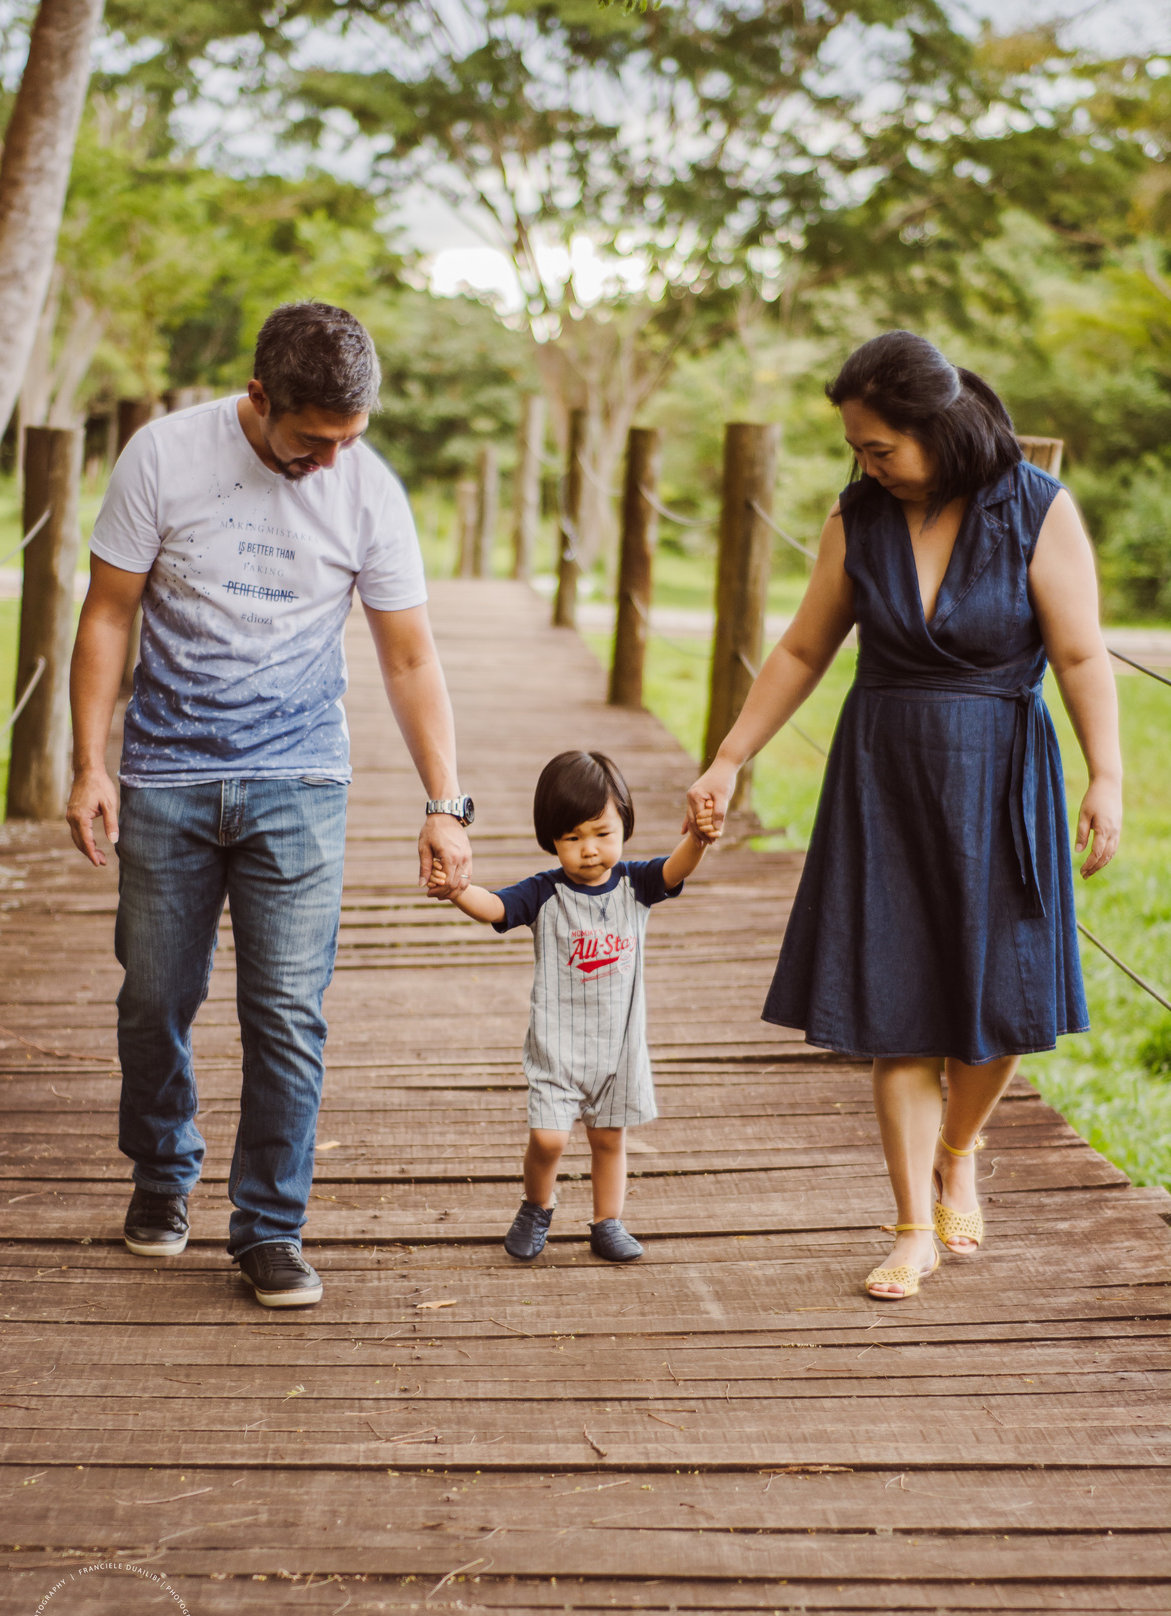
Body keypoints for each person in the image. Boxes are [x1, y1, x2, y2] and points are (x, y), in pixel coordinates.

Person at [687, 330, 1122, 1301]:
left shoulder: (1036, 512)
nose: (866, 464)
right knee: (897, 1010)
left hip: (1003, 776)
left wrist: (1108, 777)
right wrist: (728, 755)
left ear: (940, 425)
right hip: (884, 776)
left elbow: (1085, 656)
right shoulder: (859, 517)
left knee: (1008, 997)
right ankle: (911, 1226)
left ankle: (959, 1146)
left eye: (880, 447)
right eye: (857, 448)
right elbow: (802, 651)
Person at [65, 301, 474, 1309]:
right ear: (260, 398)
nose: (331, 460)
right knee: (154, 998)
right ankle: (162, 1175)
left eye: (350, 438)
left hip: (299, 783)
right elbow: (108, 614)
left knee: (286, 1012)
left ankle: (269, 1226)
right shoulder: (164, 458)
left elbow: (410, 656)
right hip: (165, 779)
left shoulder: (368, 493)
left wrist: (445, 802)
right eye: (312, 439)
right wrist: (88, 763)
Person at [429, 751, 711, 1262]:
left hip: (618, 1049)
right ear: (551, 839)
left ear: (624, 823)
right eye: (572, 837)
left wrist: (697, 837)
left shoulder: (636, 884)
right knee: (549, 1139)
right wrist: (457, 890)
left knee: (609, 1140)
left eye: (602, 833)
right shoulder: (544, 893)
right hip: (557, 1048)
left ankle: (608, 1222)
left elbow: (676, 869)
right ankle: (537, 1205)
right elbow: (496, 907)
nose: (589, 850)